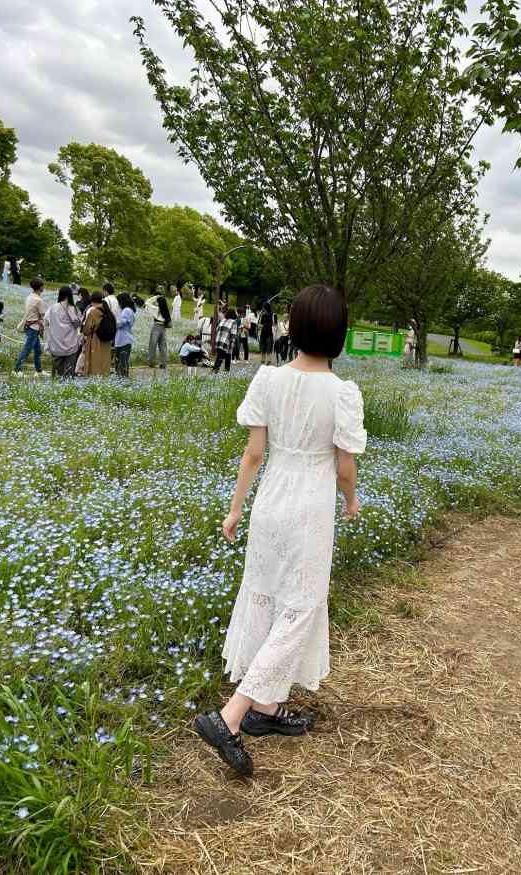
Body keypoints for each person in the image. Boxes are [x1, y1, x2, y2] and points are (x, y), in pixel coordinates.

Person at [193, 284, 367, 777]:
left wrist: (234, 511)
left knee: (266, 595)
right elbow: (344, 467)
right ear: (340, 334)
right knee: (301, 607)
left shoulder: (268, 380)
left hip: (270, 501)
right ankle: (232, 715)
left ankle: (266, 712)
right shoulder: (343, 393)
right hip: (310, 506)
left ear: (292, 327)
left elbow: (253, 454)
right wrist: (351, 501)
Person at [45, 286, 81, 378]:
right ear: (70, 295)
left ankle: (55, 386)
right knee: (68, 370)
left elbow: (46, 321)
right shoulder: (72, 308)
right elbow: (77, 324)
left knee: (57, 370)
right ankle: (67, 387)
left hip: (56, 343)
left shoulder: (52, 308)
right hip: (70, 344)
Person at [14, 277, 47, 375]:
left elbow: (26, 314)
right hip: (34, 328)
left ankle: (39, 370)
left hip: (28, 326)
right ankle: (17, 370)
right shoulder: (39, 300)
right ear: (41, 287)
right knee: (27, 349)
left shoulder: (29, 297)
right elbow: (43, 316)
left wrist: (18, 326)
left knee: (37, 350)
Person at [81, 292, 113, 376]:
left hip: (96, 341)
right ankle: (105, 377)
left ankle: (94, 380)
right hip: (107, 342)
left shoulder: (93, 312)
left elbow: (86, 330)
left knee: (95, 361)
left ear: (92, 301)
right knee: (104, 361)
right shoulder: (109, 311)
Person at [114, 293, 137, 378]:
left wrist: (113, 324)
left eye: (118, 302)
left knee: (122, 363)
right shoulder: (130, 310)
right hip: (124, 339)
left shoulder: (126, 310)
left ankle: (123, 380)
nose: (118, 304)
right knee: (122, 362)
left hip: (123, 340)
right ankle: (122, 379)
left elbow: (121, 323)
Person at [146, 293, 171, 369]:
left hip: (156, 326)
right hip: (163, 327)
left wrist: (156, 296)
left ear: (159, 302)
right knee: (163, 346)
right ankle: (163, 363)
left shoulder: (156, 309)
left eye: (157, 301)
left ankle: (152, 362)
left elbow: (147, 302)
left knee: (152, 345)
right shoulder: (166, 311)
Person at [258, 301, 274, 365]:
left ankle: (269, 360)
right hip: (263, 333)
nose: (263, 308)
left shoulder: (271, 314)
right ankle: (263, 360)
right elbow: (261, 324)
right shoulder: (263, 315)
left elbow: (272, 323)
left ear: (266, 308)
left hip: (269, 333)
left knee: (268, 347)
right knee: (263, 347)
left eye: (264, 307)